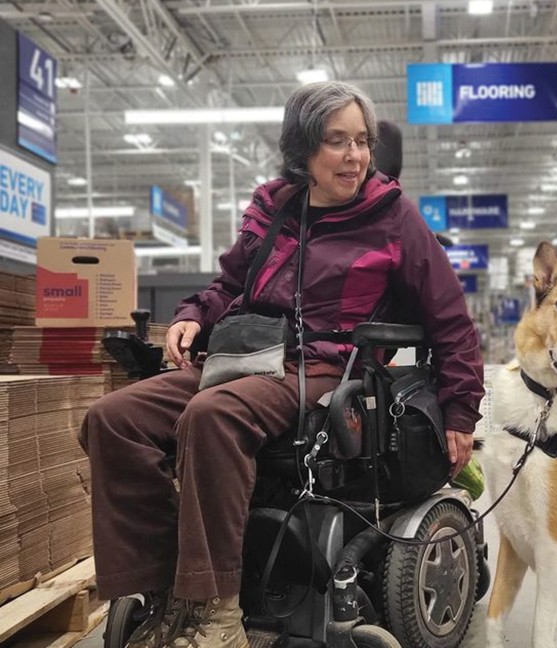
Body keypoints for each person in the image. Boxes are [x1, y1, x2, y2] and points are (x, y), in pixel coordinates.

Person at [79, 81, 484, 648]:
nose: (355, 156)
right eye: (337, 141)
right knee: (113, 419)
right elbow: (228, 285)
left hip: (329, 368)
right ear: (303, 151)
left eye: (362, 142)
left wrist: (460, 411)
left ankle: (216, 618)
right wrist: (194, 315)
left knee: (212, 415)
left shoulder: (395, 219)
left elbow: (451, 321)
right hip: (246, 356)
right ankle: (164, 590)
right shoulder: (272, 208)